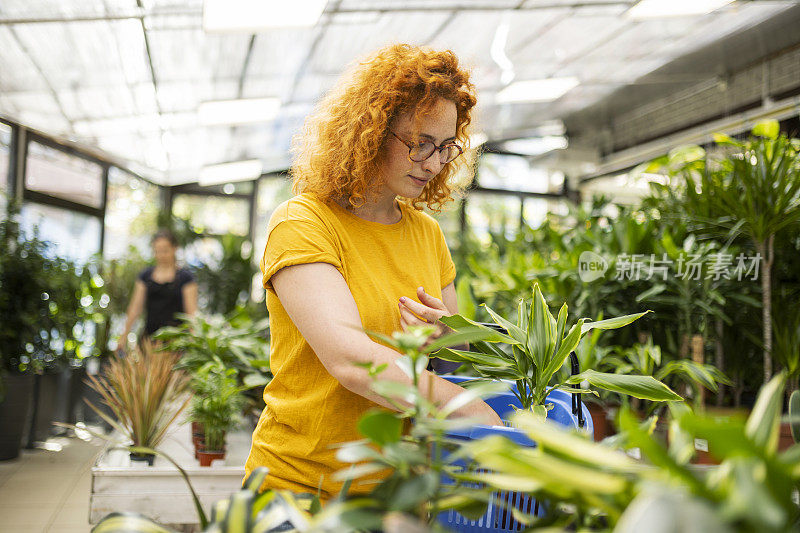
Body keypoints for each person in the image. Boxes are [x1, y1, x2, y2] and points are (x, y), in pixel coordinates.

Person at [244, 43, 503, 499]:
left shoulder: (427, 235)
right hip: (300, 488)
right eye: (419, 143)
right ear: (371, 132)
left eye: (445, 147)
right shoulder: (303, 223)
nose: (434, 162)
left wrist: (439, 337)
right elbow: (350, 359)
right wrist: (466, 409)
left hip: (395, 491)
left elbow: (448, 353)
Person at [117, 229, 198, 352]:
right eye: (157, 251)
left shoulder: (185, 278)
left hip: (177, 342)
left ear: (175, 248)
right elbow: (135, 308)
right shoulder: (146, 276)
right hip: (150, 340)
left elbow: (191, 313)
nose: (161, 255)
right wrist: (124, 335)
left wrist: (194, 340)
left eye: (165, 250)